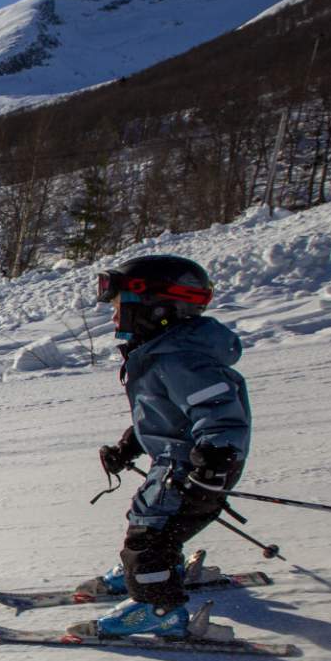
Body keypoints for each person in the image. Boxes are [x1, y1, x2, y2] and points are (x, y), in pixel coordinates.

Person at [90, 255, 251, 639]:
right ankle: (156, 572)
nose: (114, 318)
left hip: (197, 464)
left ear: (157, 307)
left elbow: (220, 414)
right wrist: (129, 445)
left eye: (119, 307)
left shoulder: (182, 358)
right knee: (149, 522)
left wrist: (213, 463)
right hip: (175, 461)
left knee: (149, 535)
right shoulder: (161, 351)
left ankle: (157, 605)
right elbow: (161, 412)